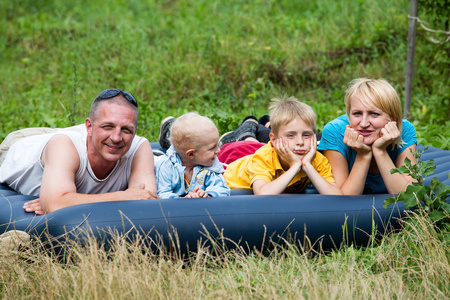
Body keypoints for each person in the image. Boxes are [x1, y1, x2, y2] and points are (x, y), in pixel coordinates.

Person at [0, 89, 159, 214]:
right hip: (20, 145)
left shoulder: (140, 147)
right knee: (62, 143)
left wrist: (68, 201)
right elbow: (55, 205)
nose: (117, 137)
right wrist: (123, 196)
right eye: (107, 126)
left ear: (135, 131)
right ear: (89, 126)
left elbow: (144, 201)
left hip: (66, 144)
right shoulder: (64, 145)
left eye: (126, 130)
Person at [222, 96, 342, 195]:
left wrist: (307, 166)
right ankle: (244, 131)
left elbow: (336, 196)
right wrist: (295, 166)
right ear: (273, 139)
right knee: (242, 148)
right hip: (230, 174)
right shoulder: (264, 157)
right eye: (291, 135)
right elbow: (262, 194)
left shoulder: (315, 159)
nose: (300, 142)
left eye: (306, 135)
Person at [317, 78, 417, 195]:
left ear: (392, 118)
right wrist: (363, 155)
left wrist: (380, 151)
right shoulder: (334, 132)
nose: (364, 124)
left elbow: (410, 196)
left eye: (374, 114)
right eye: (357, 113)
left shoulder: (405, 130)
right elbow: (343, 200)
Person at [155, 112, 230, 198]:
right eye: (212, 148)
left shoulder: (210, 163)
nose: (218, 150)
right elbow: (162, 194)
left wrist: (209, 195)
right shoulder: (165, 166)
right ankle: (167, 131)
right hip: (156, 158)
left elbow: (223, 189)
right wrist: (183, 200)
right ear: (191, 154)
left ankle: (168, 131)